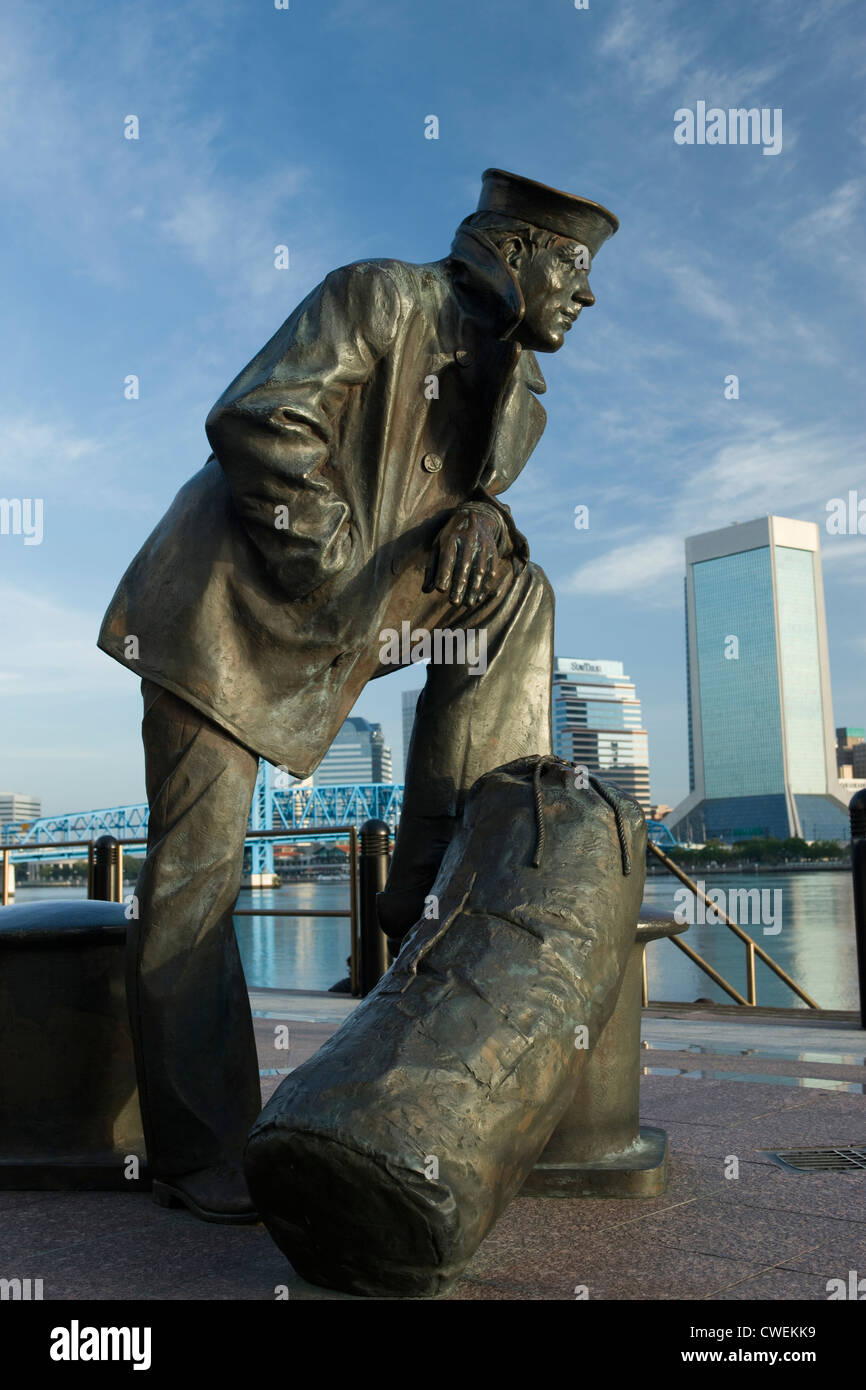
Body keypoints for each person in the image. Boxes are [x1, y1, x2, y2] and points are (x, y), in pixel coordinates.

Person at [97, 169, 619, 1221]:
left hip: (351, 609)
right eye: (572, 265)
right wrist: (341, 570)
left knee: (516, 590)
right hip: (224, 613)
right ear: (510, 249)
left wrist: (487, 523)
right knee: (195, 881)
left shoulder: (519, 405)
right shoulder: (380, 295)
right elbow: (258, 419)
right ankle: (198, 1150)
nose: (587, 293)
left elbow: (458, 504)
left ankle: (442, 874)